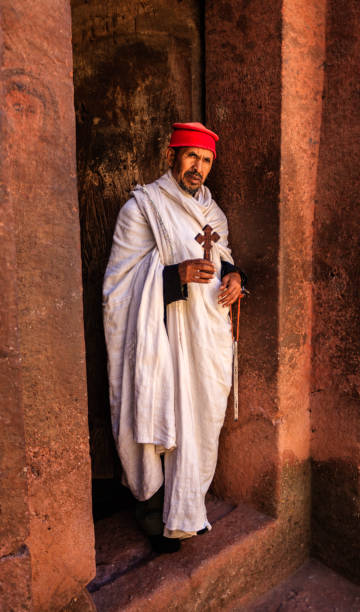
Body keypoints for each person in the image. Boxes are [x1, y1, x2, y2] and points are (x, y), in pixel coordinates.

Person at [103, 122, 245, 553]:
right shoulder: (142, 209)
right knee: (160, 413)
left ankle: (187, 509)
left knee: (201, 419)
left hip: (206, 341)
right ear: (171, 156)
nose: (197, 167)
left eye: (205, 161)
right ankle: (155, 515)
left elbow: (223, 259)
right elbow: (117, 288)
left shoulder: (212, 211)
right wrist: (173, 274)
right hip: (160, 340)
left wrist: (236, 278)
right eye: (190, 157)